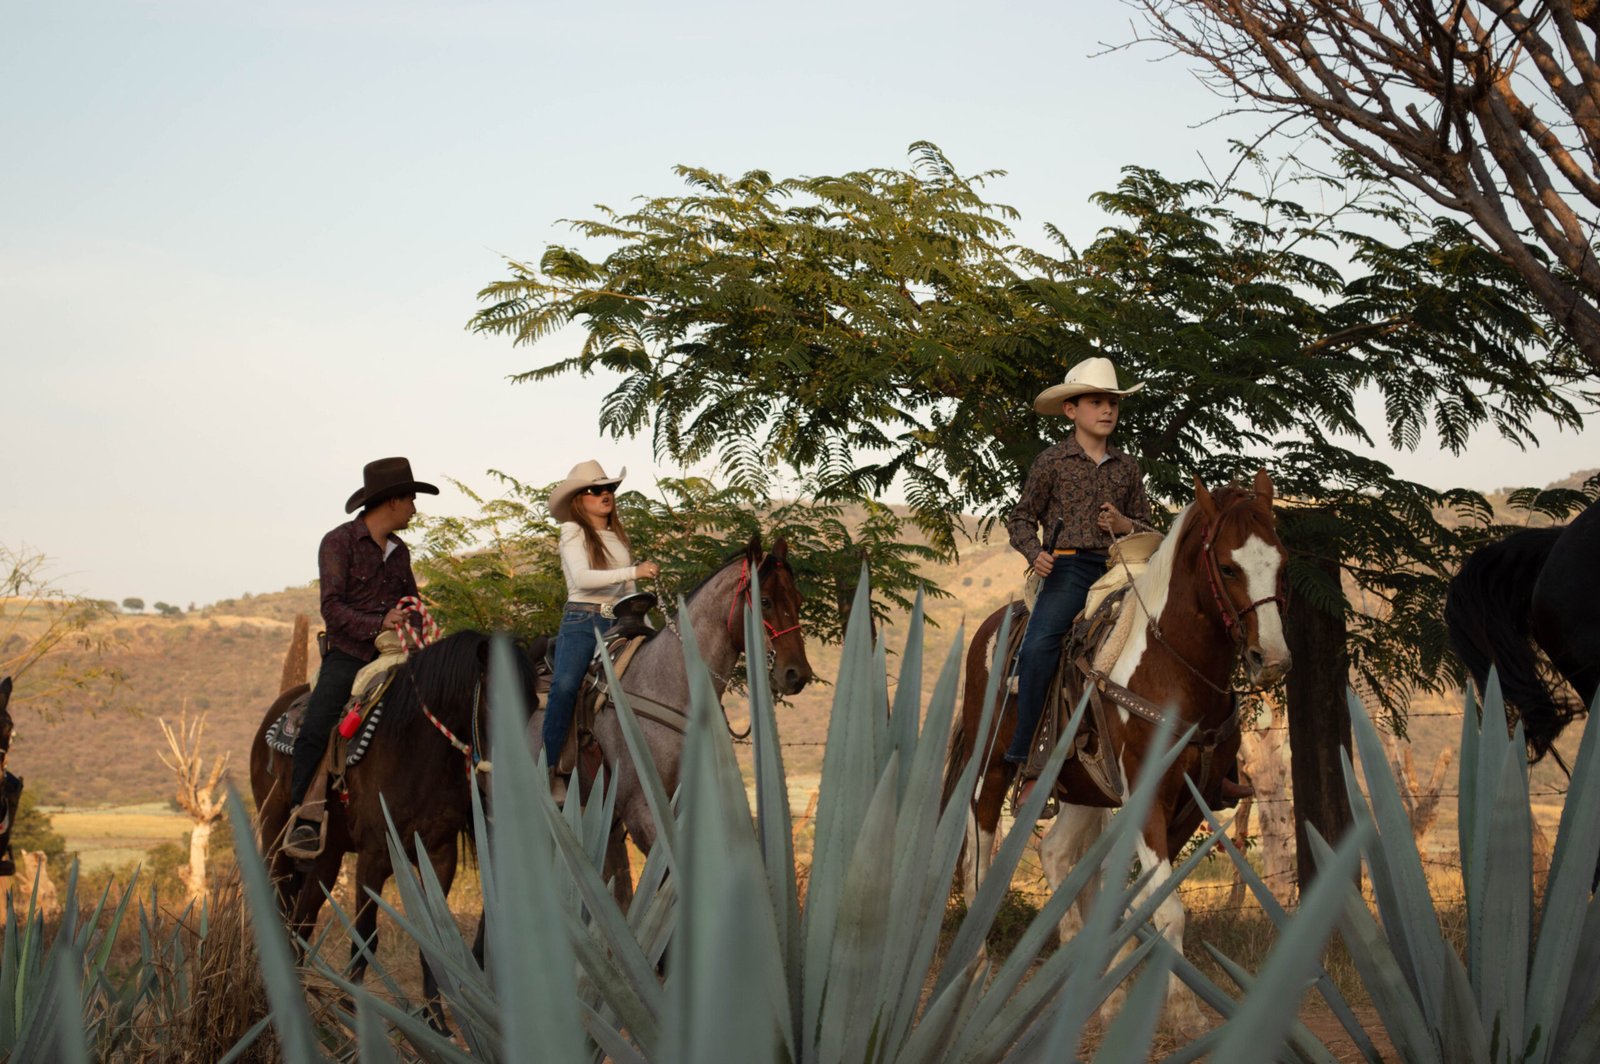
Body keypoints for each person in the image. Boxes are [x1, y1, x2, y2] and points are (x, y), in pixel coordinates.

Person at [1005, 357, 1153, 806]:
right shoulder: (1052, 462)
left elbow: (1147, 526)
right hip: (1068, 569)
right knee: (1039, 645)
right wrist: (1037, 554)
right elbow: (1019, 518)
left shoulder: (1128, 468)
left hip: (1122, 566)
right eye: (1096, 402)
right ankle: (1028, 758)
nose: (1107, 410)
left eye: (1112, 403)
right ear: (1072, 410)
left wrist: (1125, 523)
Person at [284, 457, 438, 854]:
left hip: (398, 655)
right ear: (392, 502)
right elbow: (331, 608)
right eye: (410, 500)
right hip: (350, 652)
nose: (414, 510)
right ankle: (302, 813)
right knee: (319, 721)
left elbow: (413, 604)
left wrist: (419, 635)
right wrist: (379, 621)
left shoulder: (399, 552)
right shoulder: (338, 542)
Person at [543, 461, 660, 786]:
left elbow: (629, 592)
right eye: (596, 490)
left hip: (619, 620)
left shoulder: (617, 537)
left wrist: (645, 625)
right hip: (583, 619)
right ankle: (548, 767)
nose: (605, 494)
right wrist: (633, 571)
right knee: (566, 685)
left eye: (609, 488)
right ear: (580, 499)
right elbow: (582, 578)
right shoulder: (573, 531)